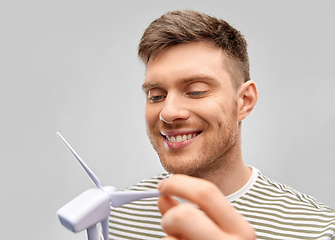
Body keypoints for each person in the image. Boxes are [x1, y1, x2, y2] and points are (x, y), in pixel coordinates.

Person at [108, 10, 335, 239]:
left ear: (244, 101)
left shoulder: (318, 230)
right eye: (156, 96)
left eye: (196, 91)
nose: (168, 112)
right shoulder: (115, 216)